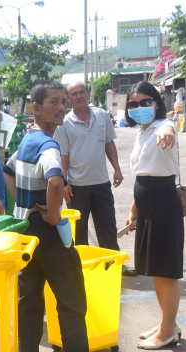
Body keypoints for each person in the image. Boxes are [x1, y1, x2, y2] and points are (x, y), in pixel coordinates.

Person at [3, 80, 112, 352]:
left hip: (25, 234)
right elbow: (54, 181)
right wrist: (51, 215)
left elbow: (8, 172)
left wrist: (24, 205)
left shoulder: (27, 140)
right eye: (54, 102)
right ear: (35, 108)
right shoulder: (49, 146)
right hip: (50, 238)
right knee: (71, 301)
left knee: (29, 301)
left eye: (63, 101)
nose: (62, 107)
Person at [123, 81, 183, 350]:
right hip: (147, 201)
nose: (138, 108)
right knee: (156, 269)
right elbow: (142, 172)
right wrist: (134, 209)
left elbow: (169, 129)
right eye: (133, 104)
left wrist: (169, 130)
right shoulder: (143, 131)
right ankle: (166, 323)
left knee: (167, 271)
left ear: (156, 103)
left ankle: (168, 331)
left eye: (145, 102)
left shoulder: (163, 127)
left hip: (163, 200)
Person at [53, 81, 134, 276]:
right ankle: (81, 266)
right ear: (68, 99)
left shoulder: (102, 116)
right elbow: (63, 155)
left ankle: (113, 264)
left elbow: (109, 143)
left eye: (82, 92)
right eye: (74, 94)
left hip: (101, 183)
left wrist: (117, 169)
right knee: (78, 230)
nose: (79, 96)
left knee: (107, 225)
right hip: (77, 186)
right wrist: (64, 182)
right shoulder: (64, 123)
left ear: (88, 94)